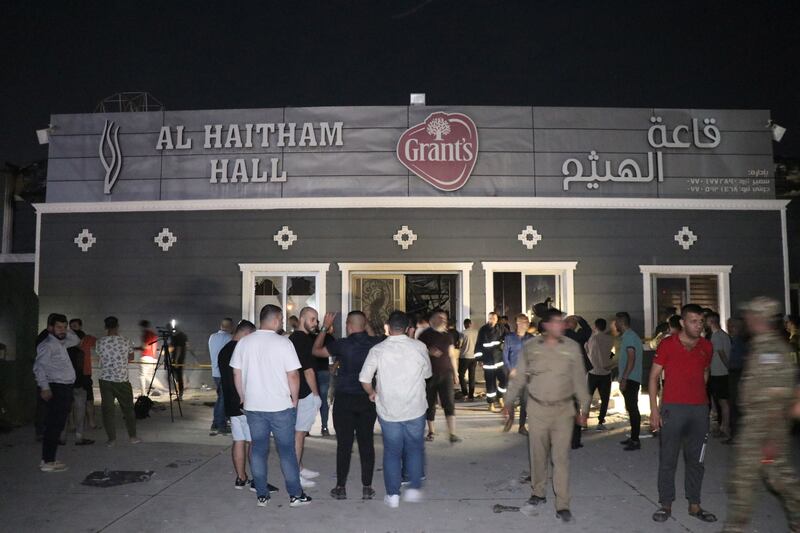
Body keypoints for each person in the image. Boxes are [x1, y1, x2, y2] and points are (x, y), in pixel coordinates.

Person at [503, 308, 589, 523]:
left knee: (560, 459)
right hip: (538, 409)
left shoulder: (571, 347)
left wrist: (584, 408)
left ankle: (562, 504)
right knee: (538, 455)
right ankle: (538, 492)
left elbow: (579, 378)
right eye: (559, 322)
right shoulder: (531, 347)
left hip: (563, 411)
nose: (563, 326)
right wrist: (508, 401)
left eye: (563, 322)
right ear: (547, 325)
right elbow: (520, 376)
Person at [722, 297, 800, 532]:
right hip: (760, 427)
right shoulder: (763, 345)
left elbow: (775, 398)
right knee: (773, 478)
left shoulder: (770, 350)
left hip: (762, 428)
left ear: (758, 318)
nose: (746, 320)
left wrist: (770, 438)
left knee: (748, 481)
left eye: (749, 316)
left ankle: (735, 527)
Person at [231, 304, 312, 508]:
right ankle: (295, 495)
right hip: (280, 407)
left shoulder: (244, 343)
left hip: (254, 406)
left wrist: (243, 396)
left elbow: (236, 373)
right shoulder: (283, 343)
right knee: (287, 451)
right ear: (276, 320)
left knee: (258, 450)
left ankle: (262, 494)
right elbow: (293, 374)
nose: (282, 323)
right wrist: (294, 398)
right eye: (282, 320)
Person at [648, 303, 716, 524]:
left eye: (701, 321)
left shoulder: (707, 346)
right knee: (668, 459)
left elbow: (706, 372)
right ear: (683, 322)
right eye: (694, 321)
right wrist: (654, 410)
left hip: (699, 411)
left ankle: (694, 504)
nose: (699, 325)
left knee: (697, 460)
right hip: (673, 409)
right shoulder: (668, 344)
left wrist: (702, 400)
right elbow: (653, 377)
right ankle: (665, 504)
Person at [359, 311, 432, 509]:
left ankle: (392, 495)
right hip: (415, 407)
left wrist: (371, 393)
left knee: (392, 452)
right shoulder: (419, 347)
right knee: (415, 447)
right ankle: (415, 488)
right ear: (408, 328)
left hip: (389, 410)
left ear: (388, 327)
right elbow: (427, 373)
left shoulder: (378, 349)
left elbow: (364, 378)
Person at [313, 310, 382, 500]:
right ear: (364, 324)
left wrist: (325, 328)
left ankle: (340, 487)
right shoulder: (374, 343)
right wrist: (366, 323)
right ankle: (367, 487)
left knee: (344, 445)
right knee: (366, 443)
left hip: (344, 399)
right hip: (367, 399)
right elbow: (372, 335)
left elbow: (316, 350)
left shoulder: (342, 345)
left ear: (349, 326)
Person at [218, 319, 279, 493]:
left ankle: (241, 477)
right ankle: (257, 482)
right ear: (246, 334)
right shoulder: (243, 350)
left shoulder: (224, 351)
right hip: (248, 403)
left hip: (231, 403)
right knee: (256, 442)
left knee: (238, 440)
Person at [33, 313, 75, 472]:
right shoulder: (48, 345)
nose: (62, 330)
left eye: (64, 327)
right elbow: (38, 367)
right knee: (53, 425)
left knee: (57, 425)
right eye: (58, 327)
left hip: (63, 387)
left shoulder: (60, 343)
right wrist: (44, 387)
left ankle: (49, 459)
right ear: (50, 327)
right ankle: (47, 461)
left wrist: (66, 332)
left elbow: (76, 340)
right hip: (56, 387)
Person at [288, 307, 323, 488]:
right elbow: (308, 370)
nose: (315, 323)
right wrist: (316, 395)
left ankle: (299, 468)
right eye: (312, 319)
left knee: (298, 433)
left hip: (298, 392)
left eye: (316, 320)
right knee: (299, 434)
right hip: (305, 393)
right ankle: (295, 475)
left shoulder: (294, 339)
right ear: (302, 319)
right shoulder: (302, 340)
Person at [96, 316, 140, 446]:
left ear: (105, 327)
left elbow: (100, 355)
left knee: (108, 410)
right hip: (121, 379)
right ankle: (132, 437)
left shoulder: (100, 342)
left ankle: (112, 439)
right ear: (117, 326)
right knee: (128, 410)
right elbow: (131, 357)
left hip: (105, 379)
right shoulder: (125, 341)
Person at [419, 310, 461, 443]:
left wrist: (456, 373)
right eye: (440, 317)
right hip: (429, 375)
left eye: (445, 318)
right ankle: (431, 431)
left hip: (446, 373)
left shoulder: (448, 335)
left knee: (449, 402)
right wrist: (428, 351)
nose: (443, 320)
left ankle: (452, 434)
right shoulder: (424, 335)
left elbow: (452, 355)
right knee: (430, 403)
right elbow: (417, 353)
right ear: (432, 320)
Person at [615, 311, 644, 451]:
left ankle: (635, 440)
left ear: (621, 322)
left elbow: (631, 359)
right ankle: (633, 437)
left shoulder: (630, 337)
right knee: (631, 408)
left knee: (633, 409)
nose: (615, 324)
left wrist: (625, 378)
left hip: (631, 378)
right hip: (630, 377)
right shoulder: (628, 336)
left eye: (616, 322)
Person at [502, 313, 533, 435]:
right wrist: (510, 369)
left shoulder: (531, 338)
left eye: (526, 322)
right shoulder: (509, 338)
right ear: (517, 324)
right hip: (513, 373)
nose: (524, 324)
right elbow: (505, 356)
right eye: (521, 322)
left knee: (525, 401)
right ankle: (510, 418)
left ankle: (521, 426)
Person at [565, 315, 592, 449]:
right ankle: (574, 440)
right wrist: (582, 319)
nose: (576, 325)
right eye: (574, 323)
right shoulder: (574, 336)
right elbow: (588, 331)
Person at [585, 318, 615, 431]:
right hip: (606, 372)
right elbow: (612, 353)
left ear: (595, 327)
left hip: (593, 372)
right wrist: (608, 359)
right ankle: (600, 422)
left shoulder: (591, 339)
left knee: (588, 397)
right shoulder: (610, 339)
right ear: (605, 326)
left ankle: (584, 421)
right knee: (605, 398)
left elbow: (587, 352)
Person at [69, 318, 98, 431]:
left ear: (80, 326)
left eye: (75, 326)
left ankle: (91, 421)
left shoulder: (87, 338)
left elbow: (99, 343)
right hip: (71, 373)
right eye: (71, 326)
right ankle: (71, 424)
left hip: (85, 373)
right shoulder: (67, 339)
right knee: (70, 400)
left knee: (89, 398)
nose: (73, 328)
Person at [707, 312, 731, 438]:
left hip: (719, 372)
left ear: (711, 321)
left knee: (722, 402)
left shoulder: (716, 337)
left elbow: (721, 353)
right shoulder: (725, 335)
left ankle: (724, 427)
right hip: (722, 373)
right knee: (722, 401)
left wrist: (728, 367)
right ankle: (724, 426)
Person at [208, 318, 234, 436]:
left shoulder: (212, 337)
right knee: (223, 399)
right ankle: (220, 424)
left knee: (221, 398)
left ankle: (216, 423)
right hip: (224, 373)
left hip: (215, 373)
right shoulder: (229, 338)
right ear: (230, 327)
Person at [476, 312, 506, 411]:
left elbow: (509, 339)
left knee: (505, 380)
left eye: (494, 318)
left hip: (499, 360)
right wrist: (479, 359)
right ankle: (491, 403)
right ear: (488, 319)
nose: (492, 320)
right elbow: (478, 344)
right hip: (488, 360)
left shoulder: (502, 328)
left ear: (497, 319)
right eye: (490, 318)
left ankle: (500, 396)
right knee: (490, 384)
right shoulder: (483, 330)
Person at [726, 317, 747, 443]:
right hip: (735, 373)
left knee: (735, 404)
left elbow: (740, 360)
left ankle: (736, 435)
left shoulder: (738, 341)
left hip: (737, 374)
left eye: (730, 325)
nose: (728, 328)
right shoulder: (735, 340)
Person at [137, 320, 160, 398]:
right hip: (153, 358)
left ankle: (143, 394)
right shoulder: (153, 334)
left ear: (142, 326)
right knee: (150, 376)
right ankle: (161, 389)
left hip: (146, 357)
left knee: (142, 376)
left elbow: (145, 346)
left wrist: (135, 348)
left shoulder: (146, 334)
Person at [457, 319, 478, 401]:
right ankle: (471, 395)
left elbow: (460, 344)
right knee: (472, 376)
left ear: (465, 324)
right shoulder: (476, 332)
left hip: (464, 357)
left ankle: (465, 393)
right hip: (474, 357)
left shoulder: (463, 333)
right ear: (470, 324)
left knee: (461, 375)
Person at [169, 328, 188, 400]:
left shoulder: (177, 337)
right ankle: (179, 393)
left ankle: (180, 394)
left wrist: (176, 360)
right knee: (177, 377)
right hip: (180, 359)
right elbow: (187, 346)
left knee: (178, 377)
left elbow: (178, 349)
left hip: (177, 361)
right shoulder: (183, 336)